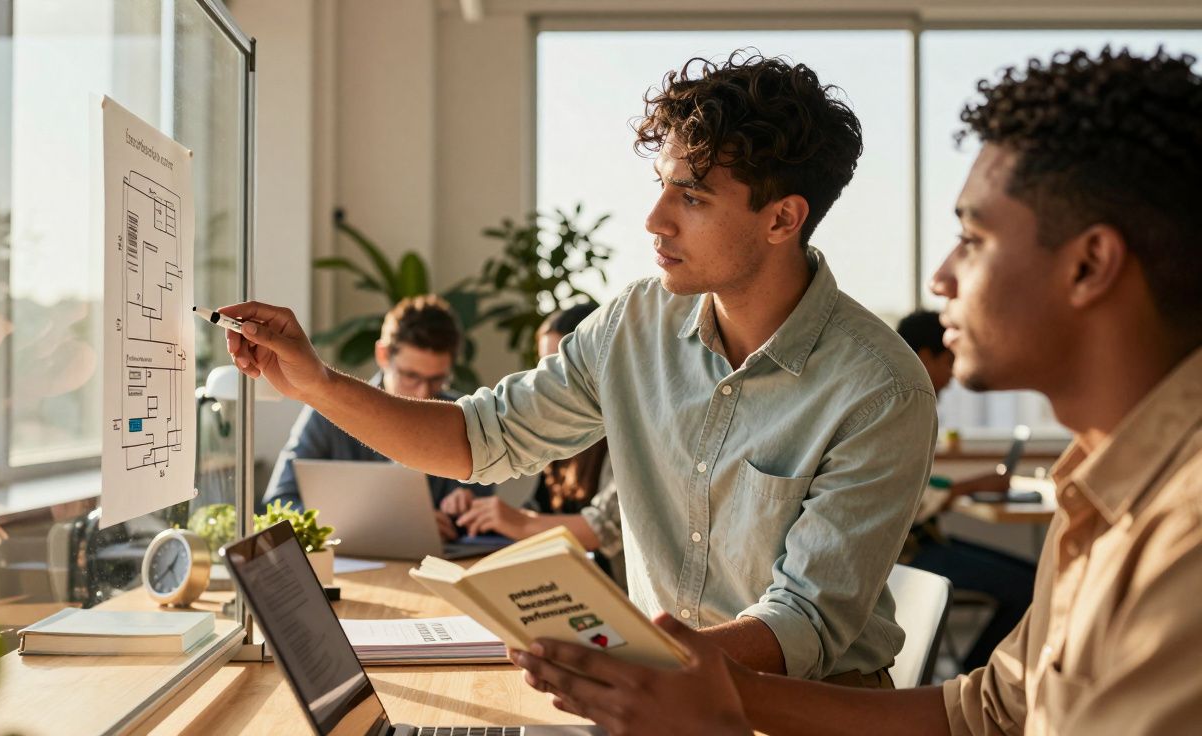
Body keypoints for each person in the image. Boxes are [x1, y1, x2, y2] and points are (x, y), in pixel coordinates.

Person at [510, 47, 1202, 735]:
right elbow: (986, 711)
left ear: (1089, 265)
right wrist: (708, 687)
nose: (940, 278)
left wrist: (709, 720)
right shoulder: (1099, 490)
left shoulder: (1185, 541)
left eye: (973, 236)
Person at [223, 50, 938, 687]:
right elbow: (482, 437)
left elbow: (803, 624)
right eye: (662, 187)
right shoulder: (633, 324)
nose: (655, 219)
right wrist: (316, 383)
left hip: (800, 709)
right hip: (658, 692)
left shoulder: (880, 388)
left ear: (782, 219)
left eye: (690, 196)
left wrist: (635, 663)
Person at [262, 295, 491, 541]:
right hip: (345, 567)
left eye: (436, 379)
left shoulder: (462, 416)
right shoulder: (327, 411)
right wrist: (377, 526)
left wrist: (464, 510)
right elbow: (278, 505)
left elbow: (479, 520)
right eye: (410, 376)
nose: (424, 393)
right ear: (382, 355)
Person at [896, 309, 1037, 671]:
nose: (952, 375)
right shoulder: (899, 401)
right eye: (949, 360)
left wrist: (969, 485)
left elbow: (920, 481)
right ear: (925, 356)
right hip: (906, 554)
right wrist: (972, 485)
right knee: (1031, 588)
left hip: (924, 542)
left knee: (1035, 578)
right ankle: (975, 677)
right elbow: (908, 497)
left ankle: (977, 677)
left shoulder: (909, 400)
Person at [452, 302, 627, 588]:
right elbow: (540, 509)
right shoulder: (560, 433)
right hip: (567, 586)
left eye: (559, 367)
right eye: (542, 366)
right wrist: (474, 515)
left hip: (622, 600)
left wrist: (516, 521)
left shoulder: (627, 432)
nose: (547, 382)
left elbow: (601, 530)